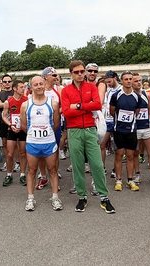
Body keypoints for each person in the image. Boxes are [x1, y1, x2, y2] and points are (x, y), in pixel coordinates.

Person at [61, 60, 115, 214]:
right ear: (71, 73)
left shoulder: (91, 87)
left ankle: (104, 197)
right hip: (74, 131)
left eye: (81, 71)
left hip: (91, 129)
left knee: (97, 164)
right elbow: (66, 112)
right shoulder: (66, 91)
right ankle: (82, 196)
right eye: (76, 72)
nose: (80, 74)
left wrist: (78, 106)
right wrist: (86, 106)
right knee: (77, 165)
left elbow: (97, 105)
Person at [20, 75, 62, 211]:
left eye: (40, 84)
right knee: (31, 171)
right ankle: (30, 198)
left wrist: (46, 133)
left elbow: (55, 124)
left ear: (44, 85)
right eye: (35, 84)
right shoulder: (26, 104)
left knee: (53, 170)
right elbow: (24, 125)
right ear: (31, 87)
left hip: (49, 142)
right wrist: (34, 134)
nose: (38, 86)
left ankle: (55, 198)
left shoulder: (53, 103)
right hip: (32, 143)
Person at [109, 71, 141, 191]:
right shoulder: (116, 95)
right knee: (118, 155)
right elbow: (112, 111)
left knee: (130, 155)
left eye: (130, 79)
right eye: (126, 79)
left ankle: (130, 179)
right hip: (118, 130)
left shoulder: (137, 97)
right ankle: (118, 180)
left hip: (131, 130)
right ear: (121, 81)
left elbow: (136, 112)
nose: (128, 81)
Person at [131, 73, 150, 185]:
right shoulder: (130, 96)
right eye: (136, 81)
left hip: (147, 127)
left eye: (139, 80)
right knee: (135, 153)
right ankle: (137, 175)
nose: (139, 83)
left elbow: (149, 112)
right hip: (136, 128)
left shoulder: (146, 95)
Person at [1, 80, 27, 187]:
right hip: (12, 130)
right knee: (10, 154)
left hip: (23, 130)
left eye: (24, 87)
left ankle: (22, 174)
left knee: (22, 153)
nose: (23, 89)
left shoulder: (26, 100)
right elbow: (4, 115)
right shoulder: (8, 101)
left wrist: (24, 125)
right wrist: (10, 125)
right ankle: (9, 174)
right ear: (15, 89)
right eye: (21, 87)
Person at [100, 70, 122, 178]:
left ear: (115, 78)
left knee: (118, 148)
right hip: (108, 121)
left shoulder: (121, 90)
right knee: (101, 144)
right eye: (106, 82)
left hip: (118, 121)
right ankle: (102, 167)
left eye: (109, 81)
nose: (108, 84)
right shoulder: (108, 90)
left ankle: (115, 169)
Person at [0, 74, 14, 172]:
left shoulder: (15, 91)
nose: (7, 83)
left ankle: (17, 163)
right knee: (5, 142)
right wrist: (8, 104)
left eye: (9, 81)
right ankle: (8, 162)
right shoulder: (0, 94)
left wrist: (3, 105)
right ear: (2, 83)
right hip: (3, 121)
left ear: (12, 82)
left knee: (17, 144)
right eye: (5, 81)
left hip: (14, 121)